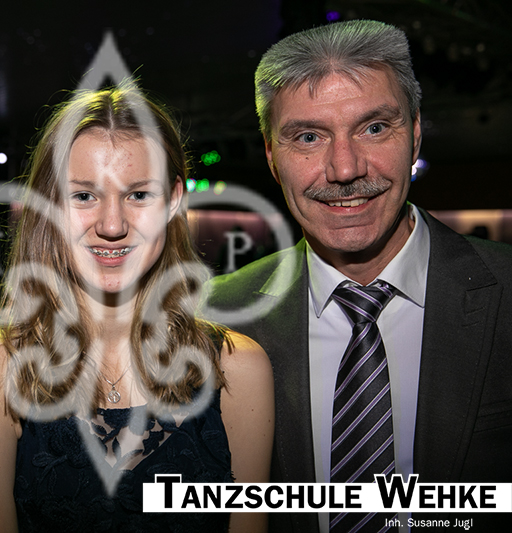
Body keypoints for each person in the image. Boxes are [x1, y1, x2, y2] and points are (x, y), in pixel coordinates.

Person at [207, 19, 512, 533]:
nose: (345, 169)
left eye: (374, 128)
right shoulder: (213, 320)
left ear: (415, 134)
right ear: (272, 156)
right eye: (308, 137)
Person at [0, 84, 274, 532]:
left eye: (138, 195)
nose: (112, 225)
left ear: (173, 200)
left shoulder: (239, 369)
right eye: (84, 196)